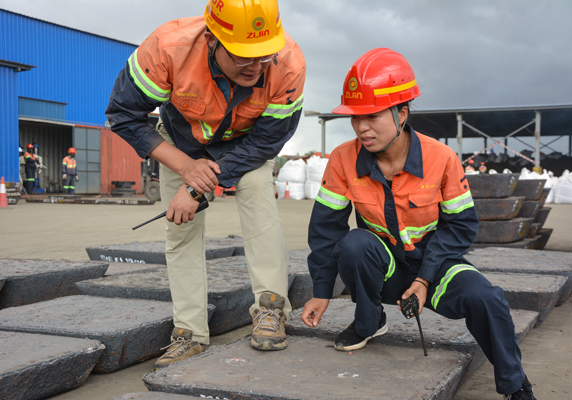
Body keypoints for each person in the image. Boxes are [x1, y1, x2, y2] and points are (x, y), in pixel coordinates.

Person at [301, 49, 537, 400]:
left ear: (402, 113)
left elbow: (460, 226)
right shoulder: (342, 159)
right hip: (385, 267)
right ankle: (369, 323)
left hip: (437, 265)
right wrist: (321, 291)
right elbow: (325, 228)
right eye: (355, 118)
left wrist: (425, 278)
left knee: (487, 299)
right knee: (353, 243)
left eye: (373, 115)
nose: (361, 128)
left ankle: (516, 387)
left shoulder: (441, 158)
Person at [106, 0, 305, 370]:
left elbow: (266, 143)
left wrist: (198, 186)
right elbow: (123, 115)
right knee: (180, 230)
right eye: (243, 56)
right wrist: (185, 167)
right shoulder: (168, 49)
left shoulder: (288, 65)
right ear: (213, 39)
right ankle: (190, 333)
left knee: (259, 200)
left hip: (245, 146)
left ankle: (271, 309)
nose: (255, 66)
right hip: (181, 141)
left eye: (263, 55)